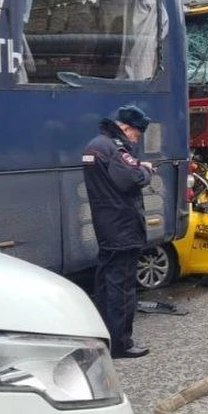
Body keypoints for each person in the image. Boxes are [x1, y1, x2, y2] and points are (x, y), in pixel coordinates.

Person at [82, 105, 155, 359]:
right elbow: (131, 179)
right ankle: (121, 344)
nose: (136, 139)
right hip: (123, 227)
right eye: (136, 134)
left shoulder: (95, 145)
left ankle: (103, 337)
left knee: (105, 285)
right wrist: (146, 169)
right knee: (122, 287)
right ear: (126, 127)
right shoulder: (113, 148)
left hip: (106, 224)